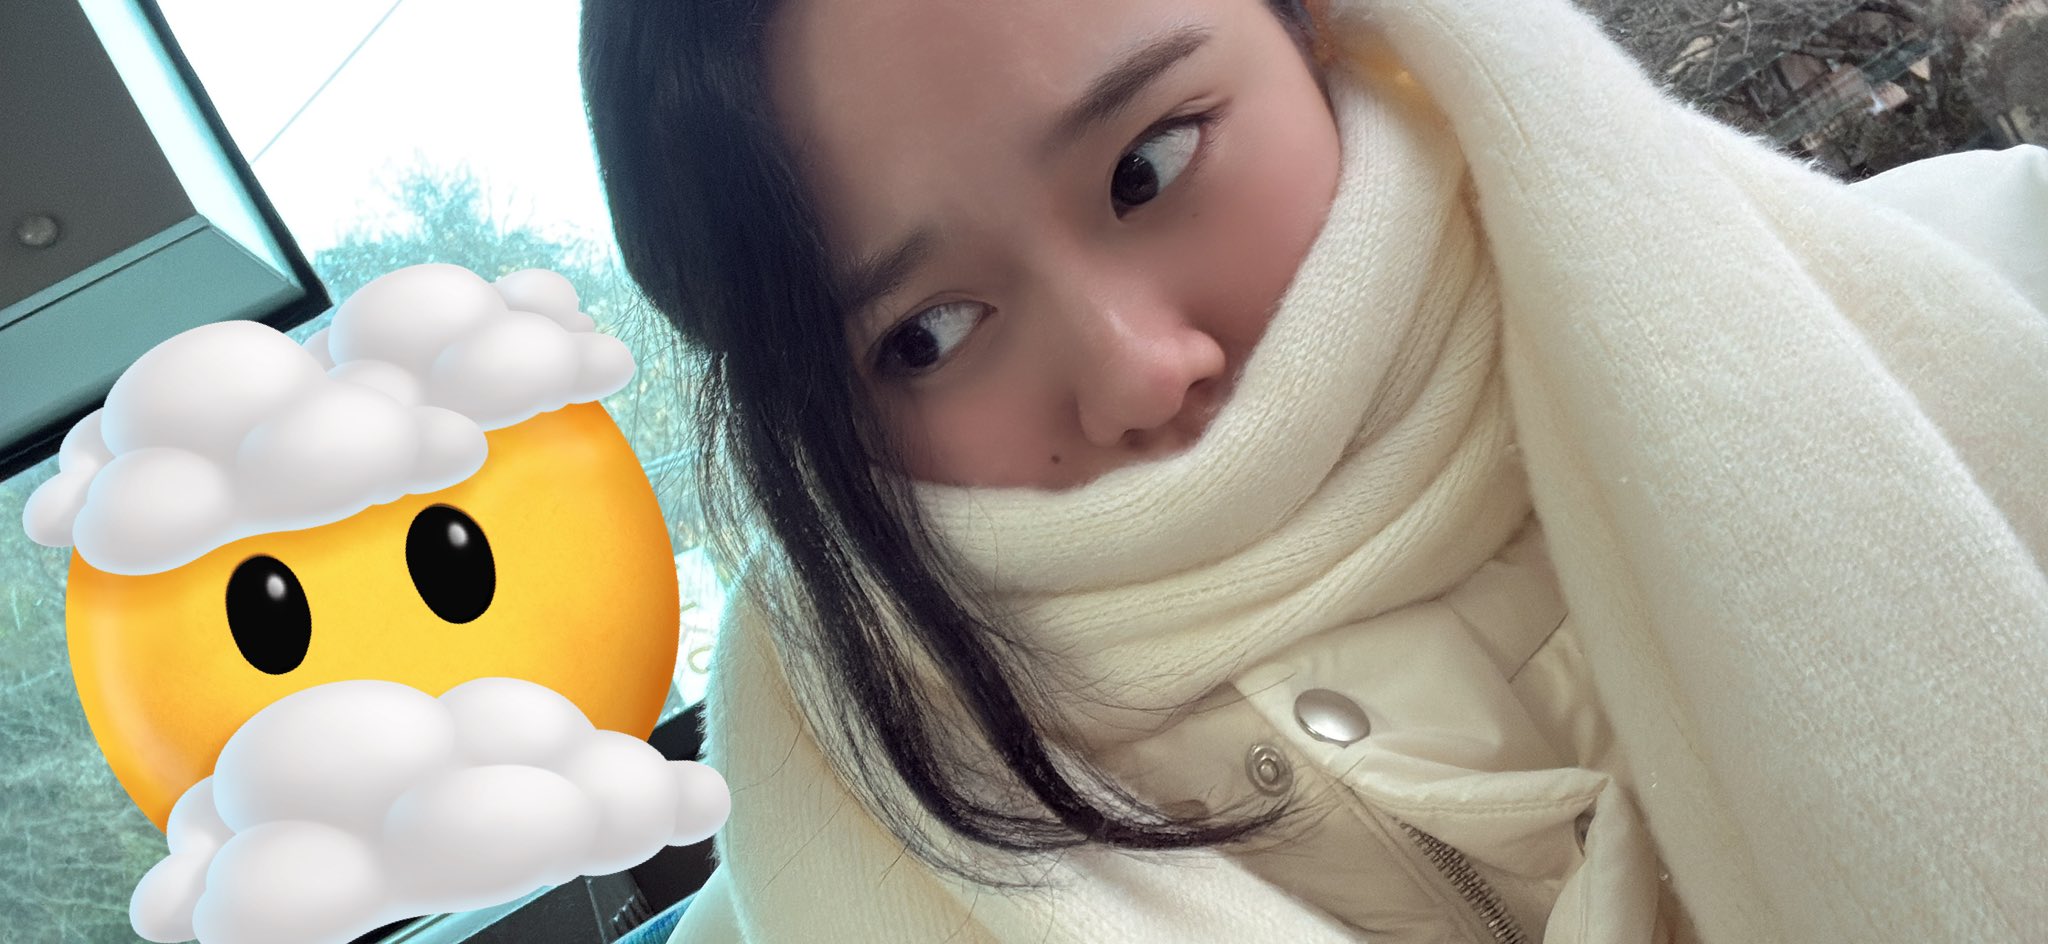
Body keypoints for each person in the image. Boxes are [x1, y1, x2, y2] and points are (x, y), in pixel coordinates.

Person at [579, 0, 2048, 941]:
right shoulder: (829, 846)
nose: (1140, 370)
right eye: (930, 335)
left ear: (1318, 28)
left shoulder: (1982, 306)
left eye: (1149, 167)